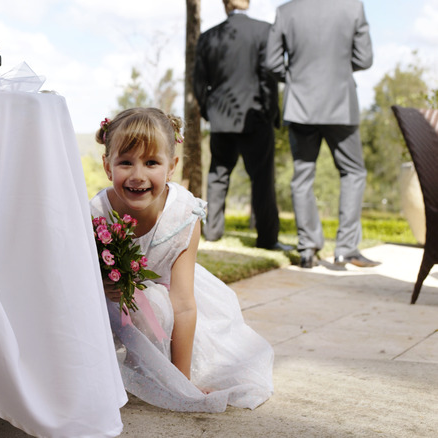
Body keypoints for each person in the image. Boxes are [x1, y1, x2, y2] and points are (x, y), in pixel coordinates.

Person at [90, 107, 274, 412]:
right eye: (125, 162)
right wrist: (101, 283)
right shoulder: (96, 213)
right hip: (110, 303)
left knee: (153, 302)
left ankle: (149, 369)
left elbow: (184, 304)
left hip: (167, 301)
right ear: (108, 167)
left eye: (151, 163)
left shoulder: (183, 214)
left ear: (172, 166)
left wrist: (181, 380)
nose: (138, 176)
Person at [264, 0, 379, 268]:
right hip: (340, 102)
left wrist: (296, 77)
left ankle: (307, 249)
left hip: (300, 105)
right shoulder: (353, 8)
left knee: (303, 175)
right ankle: (346, 249)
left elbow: (271, 62)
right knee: (353, 172)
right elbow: (365, 58)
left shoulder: (285, 11)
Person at [194, 0, 291, 252]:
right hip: (256, 117)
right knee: (262, 178)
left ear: (225, 5)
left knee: (217, 176)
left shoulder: (207, 37)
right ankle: (268, 239)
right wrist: (271, 114)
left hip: (221, 119)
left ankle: (212, 233)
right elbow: (268, 78)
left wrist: (209, 112)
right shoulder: (263, 30)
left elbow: (198, 82)